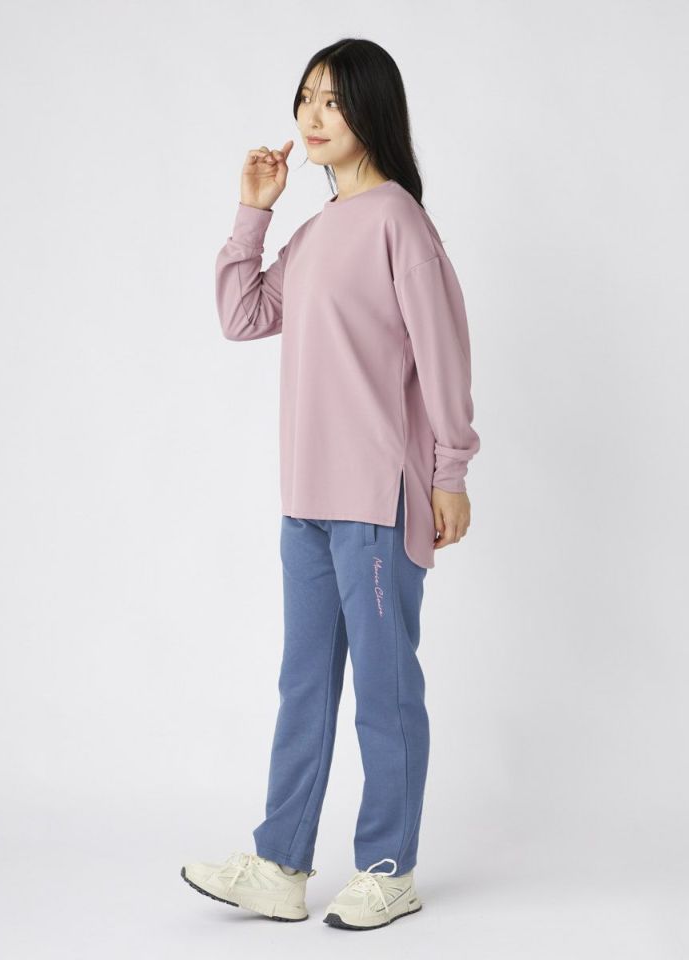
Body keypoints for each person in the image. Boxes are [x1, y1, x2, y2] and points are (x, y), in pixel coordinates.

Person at [181, 38, 480, 932]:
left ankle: (389, 868)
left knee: (385, 691)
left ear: (370, 111)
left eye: (333, 101)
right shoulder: (314, 232)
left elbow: (444, 356)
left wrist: (451, 471)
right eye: (306, 97)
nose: (313, 116)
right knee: (303, 686)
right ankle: (281, 864)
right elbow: (244, 316)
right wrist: (253, 213)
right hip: (306, 501)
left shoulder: (398, 222)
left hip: (379, 500)